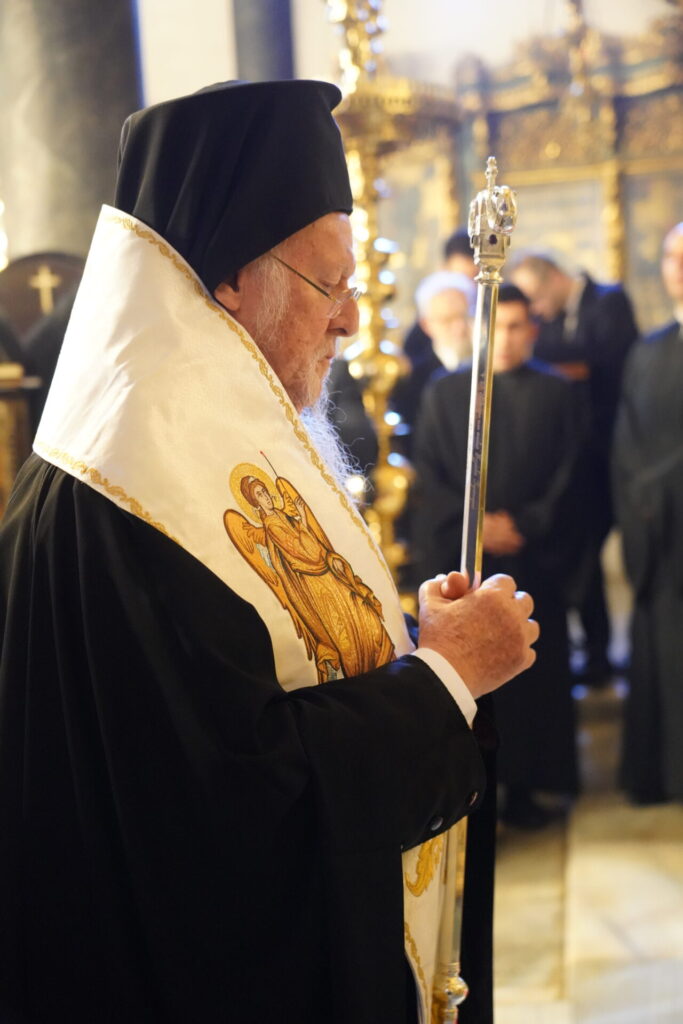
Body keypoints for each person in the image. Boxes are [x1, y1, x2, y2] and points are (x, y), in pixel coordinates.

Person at [0, 81, 538, 1024]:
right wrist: (445, 679)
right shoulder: (135, 491)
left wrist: (408, 648)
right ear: (230, 281)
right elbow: (233, 805)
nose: (350, 320)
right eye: (330, 285)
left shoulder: (193, 442)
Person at [413, 285, 580, 827]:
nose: (504, 339)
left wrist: (527, 524)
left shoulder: (557, 392)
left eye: (515, 327)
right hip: (469, 565)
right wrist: (478, 528)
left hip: (535, 561)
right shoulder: (445, 391)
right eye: (495, 327)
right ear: (477, 329)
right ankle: (478, 794)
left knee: (533, 685)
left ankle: (528, 789)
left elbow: (572, 474)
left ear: (532, 330)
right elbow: (429, 476)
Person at [510, 251, 638, 685]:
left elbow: (606, 367)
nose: (535, 311)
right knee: (574, 560)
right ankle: (580, 652)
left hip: (606, 457)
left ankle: (600, 654)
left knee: (588, 560)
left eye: (535, 299)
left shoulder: (608, 302)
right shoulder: (552, 318)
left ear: (555, 278)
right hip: (570, 452)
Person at [612, 221, 683, 805]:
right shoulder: (647, 350)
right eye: (670, 257)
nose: (678, 268)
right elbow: (626, 443)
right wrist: (646, 498)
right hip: (660, 535)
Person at [391, 269, 476, 442]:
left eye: (465, 316)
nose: (460, 327)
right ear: (426, 325)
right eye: (447, 320)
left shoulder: (494, 368)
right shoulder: (413, 379)